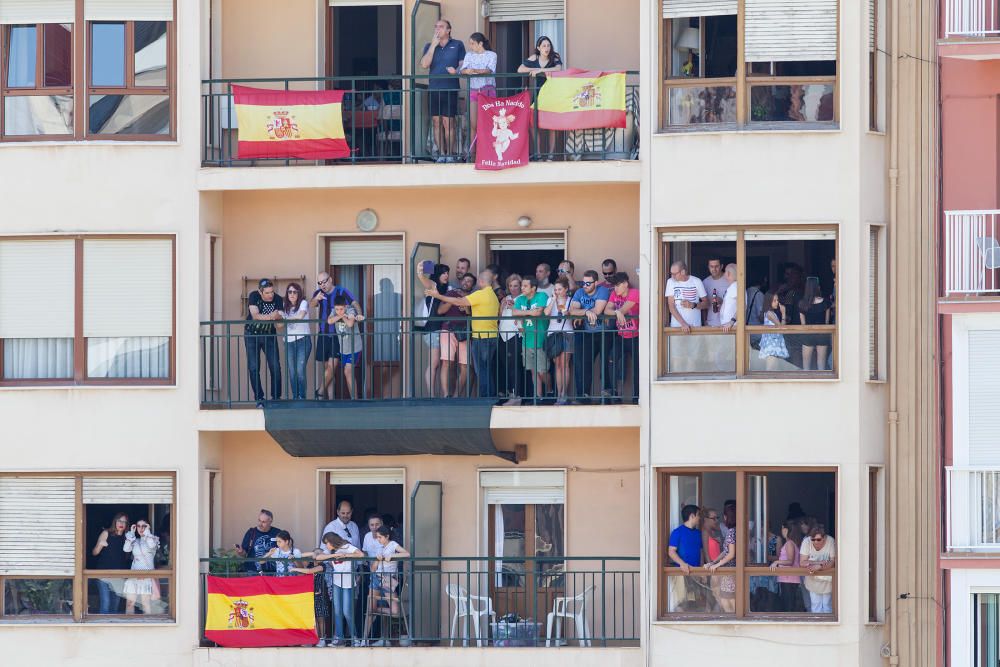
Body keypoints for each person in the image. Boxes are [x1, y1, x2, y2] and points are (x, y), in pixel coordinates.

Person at [428, 270, 500, 398]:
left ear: (481, 281)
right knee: (487, 369)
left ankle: (486, 398)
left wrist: (437, 295)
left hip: (481, 337)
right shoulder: (493, 295)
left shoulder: (481, 294)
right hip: (492, 337)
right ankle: (490, 396)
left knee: (481, 370)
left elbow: (459, 302)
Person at [312, 273, 364, 400]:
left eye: (324, 282)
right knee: (327, 370)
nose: (322, 285)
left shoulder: (341, 291)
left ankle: (319, 392)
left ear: (330, 279)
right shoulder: (319, 293)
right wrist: (316, 299)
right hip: (323, 334)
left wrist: (359, 316)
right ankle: (331, 399)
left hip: (337, 336)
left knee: (331, 367)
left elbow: (355, 303)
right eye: (320, 283)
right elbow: (312, 304)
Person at [420, 19, 465, 163]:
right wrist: (433, 45)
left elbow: (463, 66)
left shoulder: (457, 45)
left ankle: (450, 154)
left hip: (450, 88)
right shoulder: (429, 45)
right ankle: (441, 154)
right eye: (436, 27)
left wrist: (456, 71)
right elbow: (424, 64)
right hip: (434, 88)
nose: (437, 29)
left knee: (448, 122)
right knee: (436, 121)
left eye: (441, 27)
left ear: (448, 30)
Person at [308, 533, 364, 646]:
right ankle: (339, 638)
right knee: (337, 611)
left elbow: (361, 554)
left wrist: (346, 555)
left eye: (327, 543)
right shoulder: (332, 551)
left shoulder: (347, 547)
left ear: (332, 541)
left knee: (347, 612)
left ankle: (354, 638)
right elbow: (318, 557)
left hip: (348, 582)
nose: (326, 546)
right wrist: (332, 556)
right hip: (336, 582)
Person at [361, 526, 411, 643]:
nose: (378, 539)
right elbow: (373, 569)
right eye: (377, 537)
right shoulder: (380, 548)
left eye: (380, 537)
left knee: (395, 611)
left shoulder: (393, 544)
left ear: (387, 536)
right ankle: (364, 639)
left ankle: (376, 611)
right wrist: (377, 560)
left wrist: (393, 556)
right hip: (376, 578)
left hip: (388, 580)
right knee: (369, 611)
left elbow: (407, 554)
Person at [517, 36, 563, 160]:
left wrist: (541, 70)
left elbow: (558, 69)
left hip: (551, 94)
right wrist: (535, 69)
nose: (546, 48)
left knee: (552, 125)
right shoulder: (534, 58)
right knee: (533, 124)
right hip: (537, 94)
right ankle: (537, 153)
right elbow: (520, 69)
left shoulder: (555, 57)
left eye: (548, 45)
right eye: (544, 46)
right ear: (538, 48)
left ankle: (551, 155)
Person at [570, 270, 611, 403]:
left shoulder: (603, 290)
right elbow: (572, 310)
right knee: (584, 363)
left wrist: (581, 314)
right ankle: (584, 395)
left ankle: (607, 393)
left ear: (596, 283)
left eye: (588, 283)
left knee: (606, 363)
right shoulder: (579, 292)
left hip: (604, 332)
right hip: (587, 333)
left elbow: (598, 310)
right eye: (583, 283)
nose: (585, 285)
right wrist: (587, 311)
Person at [245, 279, 284, 407]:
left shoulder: (278, 299)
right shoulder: (253, 296)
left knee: (275, 367)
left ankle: (276, 398)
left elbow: (279, 325)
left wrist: (278, 317)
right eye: (267, 293)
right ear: (260, 292)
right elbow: (255, 315)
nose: (270, 295)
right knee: (254, 367)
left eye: (272, 292)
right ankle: (259, 399)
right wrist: (272, 316)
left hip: (269, 335)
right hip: (251, 335)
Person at [512, 276, 549, 405]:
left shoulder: (542, 295)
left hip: (540, 338)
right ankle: (538, 397)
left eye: (525, 286)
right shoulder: (520, 299)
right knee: (533, 370)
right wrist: (530, 312)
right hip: (527, 340)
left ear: (533, 288)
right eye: (522, 285)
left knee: (542, 371)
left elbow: (538, 313)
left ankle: (550, 391)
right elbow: (514, 312)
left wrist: (527, 312)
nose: (522, 288)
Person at [416, 263, 451, 397]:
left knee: (442, 362)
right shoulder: (434, 286)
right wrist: (420, 271)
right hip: (433, 329)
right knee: (434, 362)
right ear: (437, 274)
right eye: (443, 272)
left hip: (442, 329)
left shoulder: (447, 288)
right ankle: (431, 395)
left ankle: (441, 394)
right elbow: (425, 280)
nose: (446, 275)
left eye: (447, 272)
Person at [438, 273, 474, 397]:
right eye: (465, 280)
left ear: (472, 285)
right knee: (446, 362)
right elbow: (440, 311)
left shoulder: (474, 297)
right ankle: (446, 395)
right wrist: (453, 301)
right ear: (461, 282)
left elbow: (476, 316)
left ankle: (456, 396)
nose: (466, 282)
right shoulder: (451, 293)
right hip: (448, 329)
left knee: (465, 365)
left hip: (465, 332)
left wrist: (467, 309)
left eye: (469, 281)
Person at [605, 272, 639, 401]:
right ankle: (615, 394)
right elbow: (606, 310)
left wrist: (619, 312)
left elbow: (624, 309)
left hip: (636, 337)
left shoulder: (634, 292)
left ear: (625, 284)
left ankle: (637, 397)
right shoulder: (614, 294)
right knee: (612, 360)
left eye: (618, 285)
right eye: (614, 286)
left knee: (637, 367)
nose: (616, 288)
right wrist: (616, 312)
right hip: (621, 336)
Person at [461, 32, 497, 152]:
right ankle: (473, 153)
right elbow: (462, 70)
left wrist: (473, 70)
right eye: (470, 44)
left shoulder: (492, 55)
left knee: (489, 123)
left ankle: (488, 152)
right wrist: (467, 71)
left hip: (487, 90)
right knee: (473, 124)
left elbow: (489, 70)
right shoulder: (469, 55)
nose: (471, 46)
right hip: (474, 90)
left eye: (473, 44)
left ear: (480, 43)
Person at [92, 512, 131, 613]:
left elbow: (128, 557)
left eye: (124, 522)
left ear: (127, 524)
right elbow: (94, 553)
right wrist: (100, 545)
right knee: (106, 603)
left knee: (115, 605)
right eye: (119, 520)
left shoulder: (128, 537)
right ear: (115, 521)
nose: (121, 523)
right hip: (103, 575)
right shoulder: (106, 533)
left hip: (118, 576)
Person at [544, 277, 575, 405]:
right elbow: (546, 313)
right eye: (555, 289)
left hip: (567, 333)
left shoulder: (571, 301)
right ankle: (559, 394)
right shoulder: (550, 299)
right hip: (553, 334)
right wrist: (554, 300)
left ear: (566, 289)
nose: (557, 291)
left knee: (565, 364)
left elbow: (572, 316)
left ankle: (564, 394)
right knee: (557, 365)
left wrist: (566, 312)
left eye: (560, 289)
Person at [666, 505, 701, 612]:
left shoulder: (698, 533)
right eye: (698, 515)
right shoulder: (677, 532)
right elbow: (671, 551)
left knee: (694, 604)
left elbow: (701, 552)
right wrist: (682, 564)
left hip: (695, 573)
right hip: (681, 574)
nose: (700, 518)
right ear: (692, 516)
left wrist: (702, 570)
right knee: (681, 603)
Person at [123, 519, 160, 615]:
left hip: (146, 577)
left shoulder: (153, 539)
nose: (141, 528)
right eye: (138, 526)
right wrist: (131, 533)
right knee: (130, 604)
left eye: (144, 526)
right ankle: (129, 625)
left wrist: (147, 532)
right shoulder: (135, 540)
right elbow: (126, 549)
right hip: (133, 575)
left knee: (145, 604)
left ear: (148, 527)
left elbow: (151, 546)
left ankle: (148, 627)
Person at [328, 295, 362, 399]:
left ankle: (354, 399)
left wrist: (342, 316)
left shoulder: (350, 310)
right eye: (337, 309)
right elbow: (329, 321)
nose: (339, 311)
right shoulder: (335, 312)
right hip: (344, 349)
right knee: (347, 373)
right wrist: (340, 316)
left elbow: (350, 323)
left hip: (354, 347)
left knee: (347, 371)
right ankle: (353, 398)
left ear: (346, 306)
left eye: (341, 309)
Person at [498, 274, 524, 405]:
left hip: (515, 335)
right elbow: (499, 316)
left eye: (516, 285)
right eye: (510, 286)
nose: (513, 288)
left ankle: (516, 395)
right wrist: (502, 306)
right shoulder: (505, 298)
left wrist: (514, 306)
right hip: (502, 335)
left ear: (520, 286)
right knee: (505, 366)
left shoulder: (523, 298)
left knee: (514, 366)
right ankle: (510, 393)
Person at [282, 282, 311, 400]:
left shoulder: (303, 303)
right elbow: (279, 323)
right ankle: (295, 397)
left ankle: (302, 397)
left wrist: (285, 318)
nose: (292, 294)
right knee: (292, 372)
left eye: (295, 292)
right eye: (290, 292)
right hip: (288, 342)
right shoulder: (284, 305)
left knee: (300, 370)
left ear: (299, 294)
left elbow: (300, 316)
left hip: (302, 341)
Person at [707, 503, 737, 613]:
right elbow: (726, 551)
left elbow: (730, 554)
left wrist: (717, 564)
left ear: (726, 517)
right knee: (728, 602)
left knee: (728, 604)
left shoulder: (731, 532)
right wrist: (713, 562)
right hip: (731, 573)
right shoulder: (737, 531)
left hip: (730, 573)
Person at [799, 525, 836, 613]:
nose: (815, 542)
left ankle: (828, 626)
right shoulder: (806, 542)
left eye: (818, 539)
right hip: (812, 580)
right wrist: (818, 563)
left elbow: (833, 561)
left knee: (827, 606)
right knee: (815, 606)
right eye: (813, 539)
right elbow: (802, 562)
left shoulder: (830, 541)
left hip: (827, 581)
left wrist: (819, 567)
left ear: (824, 538)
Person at [770, 519, 805, 612]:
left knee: (788, 606)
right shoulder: (792, 543)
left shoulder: (789, 543)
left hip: (789, 579)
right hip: (788, 579)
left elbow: (790, 561)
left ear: (785, 530)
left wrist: (777, 562)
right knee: (788, 605)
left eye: (782, 528)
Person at [799, 277, 832, 370]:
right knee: (821, 365)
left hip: (808, 335)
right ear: (818, 287)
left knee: (806, 367)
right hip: (822, 334)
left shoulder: (802, 304)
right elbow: (826, 322)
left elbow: (803, 325)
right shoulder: (826, 303)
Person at [665, 261, 707, 333]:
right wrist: (683, 324)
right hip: (677, 327)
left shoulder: (696, 281)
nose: (672, 276)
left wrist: (693, 305)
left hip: (695, 327)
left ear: (683, 272)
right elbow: (671, 306)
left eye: (675, 274)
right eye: (671, 274)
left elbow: (706, 303)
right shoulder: (670, 282)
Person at [235, 509, 281, 574]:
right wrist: (241, 552)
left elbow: (284, 550)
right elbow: (244, 554)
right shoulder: (251, 532)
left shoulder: (277, 533)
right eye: (259, 520)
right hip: (252, 572)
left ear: (270, 521)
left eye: (263, 522)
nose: (260, 524)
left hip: (272, 573)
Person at [758, 290, 790, 369]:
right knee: (770, 368)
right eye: (774, 301)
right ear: (769, 302)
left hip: (774, 343)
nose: (777, 302)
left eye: (777, 300)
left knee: (775, 368)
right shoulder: (769, 313)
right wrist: (783, 313)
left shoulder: (772, 313)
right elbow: (781, 328)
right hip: (772, 345)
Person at [703, 258, 728, 327]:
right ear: (708, 267)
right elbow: (703, 304)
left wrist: (721, 301)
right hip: (711, 323)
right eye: (711, 266)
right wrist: (705, 321)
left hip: (727, 323)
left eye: (716, 266)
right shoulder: (705, 282)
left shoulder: (729, 279)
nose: (714, 269)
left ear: (722, 266)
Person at [719, 264, 739, 332]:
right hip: (728, 328)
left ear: (728, 273)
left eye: (724, 272)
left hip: (732, 328)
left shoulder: (735, 287)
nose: (724, 274)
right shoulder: (734, 286)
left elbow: (742, 306)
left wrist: (731, 322)